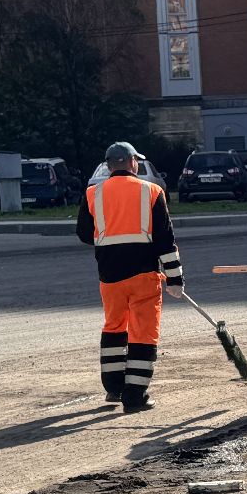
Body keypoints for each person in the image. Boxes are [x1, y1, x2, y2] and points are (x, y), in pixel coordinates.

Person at [76, 141, 183, 413]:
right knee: (143, 333)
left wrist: (110, 238)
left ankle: (114, 388)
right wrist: (175, 279)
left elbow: (84, 234)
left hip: (109, 275)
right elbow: (165, 240)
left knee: (114, 327)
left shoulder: (92, 193)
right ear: (133, 162)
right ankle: (135, 396)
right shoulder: (152, 191)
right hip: (143, 274)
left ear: (109, 165)